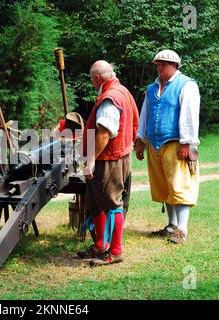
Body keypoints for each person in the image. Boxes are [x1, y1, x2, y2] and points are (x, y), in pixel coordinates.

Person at [135, 49, 200, 244]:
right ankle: (171, 224)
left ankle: (182, 229)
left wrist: (186, 142)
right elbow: (144, 114)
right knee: (164, 185)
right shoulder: (151, 88)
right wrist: (140, 141)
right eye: (158, 64)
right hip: (155, 144)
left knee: (180, 185)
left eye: (164, 64)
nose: (160, 68)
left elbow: (190, 115)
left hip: (176, 143)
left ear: (174, 66)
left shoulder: (186, 85)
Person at [78, 60, 139, 266]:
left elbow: (104, 133)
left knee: (112, 203)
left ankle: (115, 251)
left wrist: (91, 160)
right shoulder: (122, 91)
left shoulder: (109, 98)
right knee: (96, 203)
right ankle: (101, 245)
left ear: (97, 79)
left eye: (92, 81)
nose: (92, 84)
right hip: (116, 155)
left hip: (109, 159)